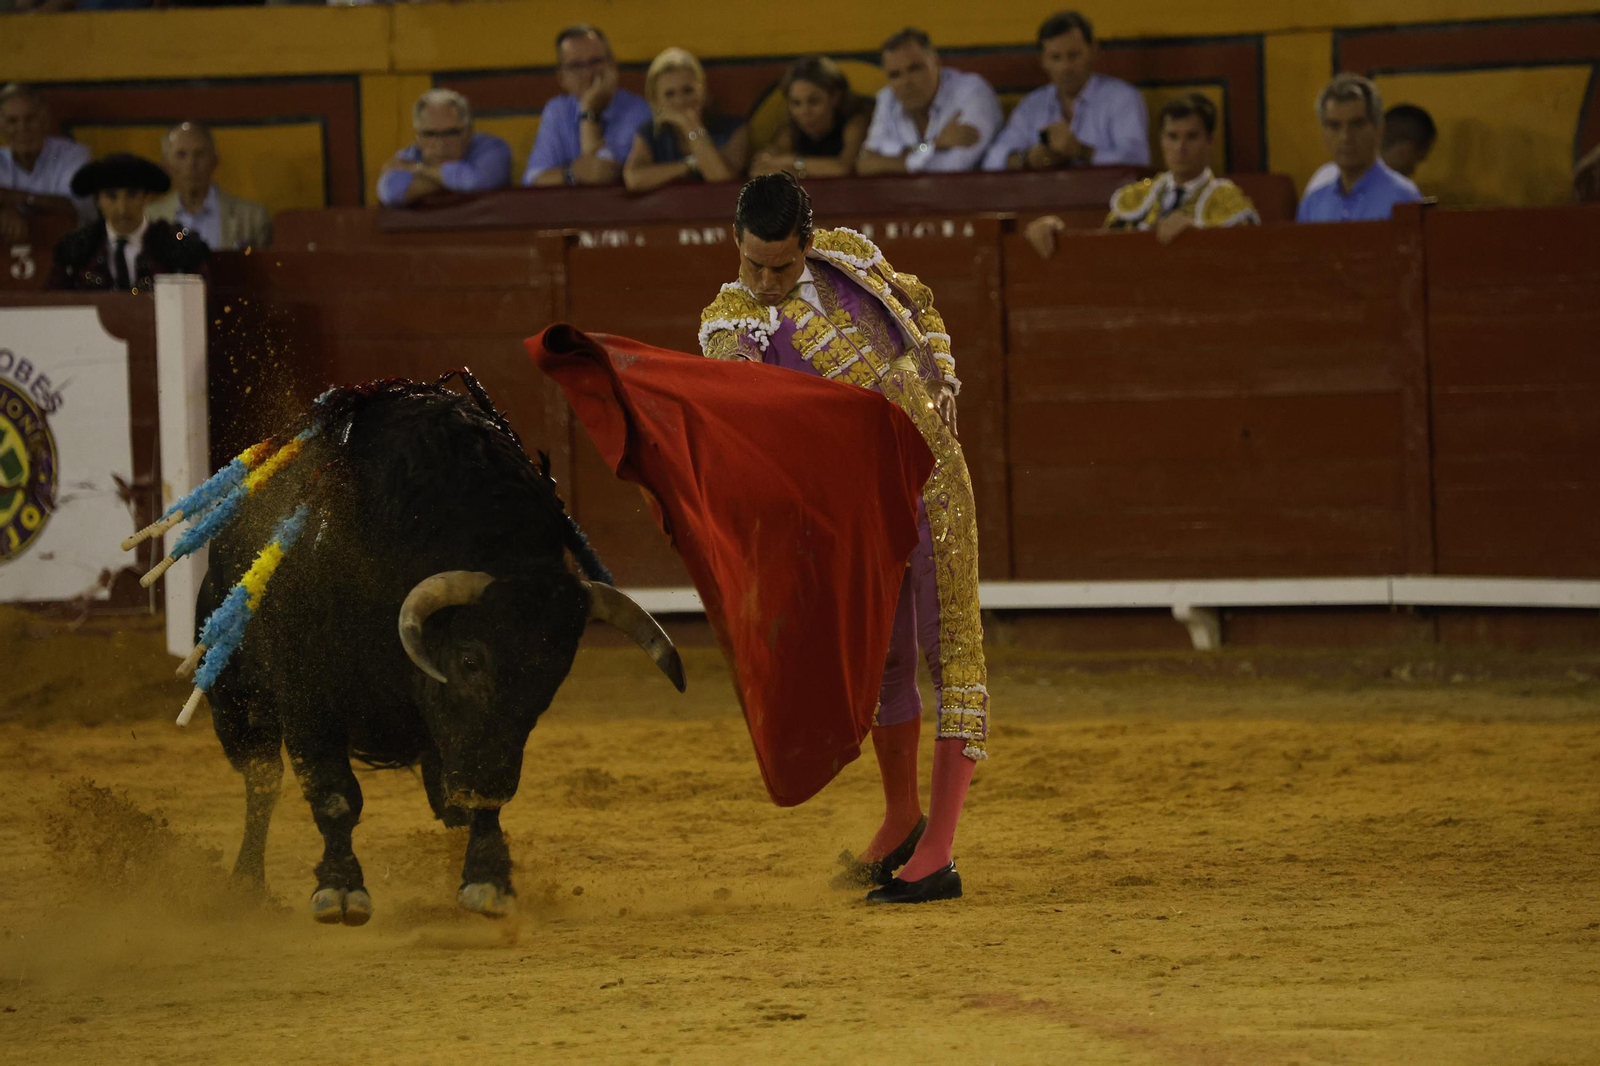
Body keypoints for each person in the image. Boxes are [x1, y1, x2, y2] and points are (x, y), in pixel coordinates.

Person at [698, 173, 988, 905]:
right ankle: (902, 817)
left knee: (952, 653)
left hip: (932, 479)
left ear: (809, 242)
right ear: (735, 243)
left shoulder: (850, 255)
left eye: (782, 266)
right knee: (887, 658)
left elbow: (920, 309)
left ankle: (941, 855)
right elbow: (743, 407)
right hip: (861, 506)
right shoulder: (728, 324)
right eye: (752, 264)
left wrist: (945, 379)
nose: (765, 282)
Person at [1025, 93, 1256, 256]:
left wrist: (1200, 238)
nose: (1180, 148)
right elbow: (1101, 250)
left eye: (1192, 137)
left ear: (1209, 141)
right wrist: (1059, 232)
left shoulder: (1228, 201)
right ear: (1161, 140)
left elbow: (1246, 259)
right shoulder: (1136, 197)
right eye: (1172, 137)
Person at [983, 11, 1149, 171]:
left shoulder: (1122, 98)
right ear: (1043, 61)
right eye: (1056, 57)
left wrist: (1081, 151)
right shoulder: (1032, 105)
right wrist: (1027, 159)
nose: (1065, 67)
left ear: (1093, 51)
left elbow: (1138, 160)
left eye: (1074, 55)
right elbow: (992, 160)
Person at [49, 153, 209, 291]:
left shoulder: (178, 248)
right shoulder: (77, 252)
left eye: (132, 195)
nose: (122, 209)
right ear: (97, 200)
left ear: (146, 197)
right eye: (112, 197)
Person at [856, 28, 1002, 175]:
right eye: (895, 75)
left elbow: (951, 167)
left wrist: (893, 162)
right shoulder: (888, 99)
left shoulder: (972, 92)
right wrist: (932, 145)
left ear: (936, 63)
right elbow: (865, 164)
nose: (906, 82)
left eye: (915, 69)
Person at [523, 24, 652, 187]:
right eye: (576, 66)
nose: (588, 73)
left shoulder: (638, 111)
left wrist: (589, 111)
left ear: (613, 66)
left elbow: (601, 176)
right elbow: (534, 179)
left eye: (596, 62)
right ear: (561, 78)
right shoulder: (557, 110)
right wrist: (571, 173)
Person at [1297, 74, 1422, 224]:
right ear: (1324, 134)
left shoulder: (1404, 199)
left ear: (1378, 129)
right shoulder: (1313, 203)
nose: (1346, 137)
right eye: (1335, 126)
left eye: (1357, 124)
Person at [622, 48, 749, 193]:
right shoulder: (650, 133)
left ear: (703, 91)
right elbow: (634, 179)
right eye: (670, 94)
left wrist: (690, 127)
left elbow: (720, 177)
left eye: (688, 90)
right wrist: (689, 166)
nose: (680, 101)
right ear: (656, 101)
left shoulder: (734, 129)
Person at [147, 122, 273, 251]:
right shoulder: (150, 219)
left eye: (199, 154)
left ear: (214, 160)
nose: (191, 164)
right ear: (166, 164)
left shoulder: (251, 219)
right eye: (181, 155)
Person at [377, 89, 511, 207]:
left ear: (468, 132)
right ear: (417, 137)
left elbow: (476, 182)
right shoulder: (411, 155)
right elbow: (391, 191)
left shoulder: (493, 148)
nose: (440, 144)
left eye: (450, 133)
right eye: (430, 134)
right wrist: (453, 180)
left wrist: (418, 169)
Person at [748, 55, 872, 180]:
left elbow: (844, 168)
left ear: (835, 97)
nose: (804, 111)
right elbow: (760, 170)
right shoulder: (790, 133)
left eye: (813, 101)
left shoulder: (855, 123)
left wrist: (794, 163)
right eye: (796, 103)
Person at [0, 83, 91, 245]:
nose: (22, 128)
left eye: (30, 119)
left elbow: (74, 208)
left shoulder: (73, 154)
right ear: (2, 126)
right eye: (12, 121)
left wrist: (14, 198)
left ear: (44, 119)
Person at [1305, 103, 1436, 193]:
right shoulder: (1329, 178)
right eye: (1419, 156)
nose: (1414, 170)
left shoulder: (1326, 173)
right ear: (1405, 146)